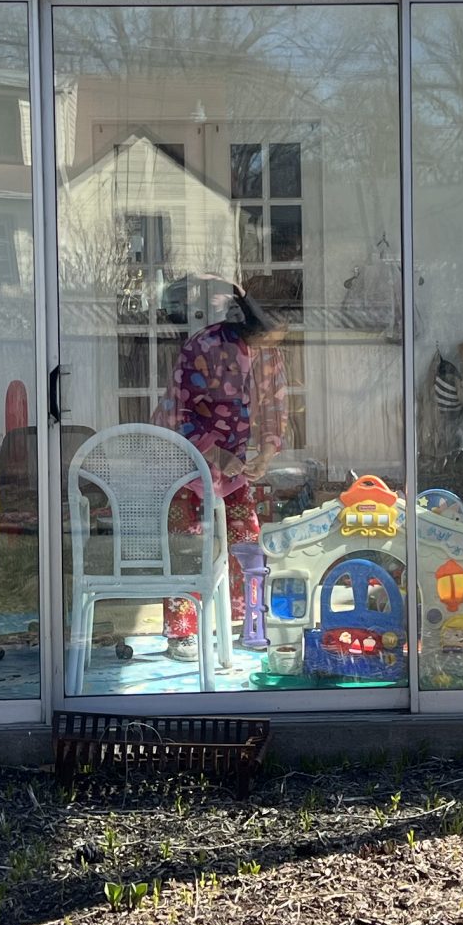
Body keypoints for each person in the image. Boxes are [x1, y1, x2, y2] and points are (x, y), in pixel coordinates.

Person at [158, 279, 289, 651]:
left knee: (246, 543)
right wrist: (216, 455)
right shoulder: (205, 347)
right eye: (272, 337)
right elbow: (179, 412)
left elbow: (275, 403)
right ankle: (183, 632)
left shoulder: (267, 354)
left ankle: (242, 623)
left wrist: (266, 451)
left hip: (235, 471)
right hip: (186, 466)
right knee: (189, 545)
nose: (275, 346)